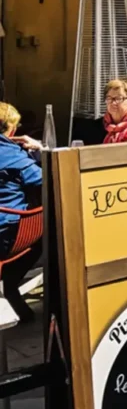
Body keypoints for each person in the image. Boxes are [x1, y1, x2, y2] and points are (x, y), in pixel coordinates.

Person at [0, 103, 44, 320]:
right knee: (47, 232)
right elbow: (46, 179)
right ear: (11, 130)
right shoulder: (14, 156)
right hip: (8, 236)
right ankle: (10, 286)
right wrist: (40, 151)